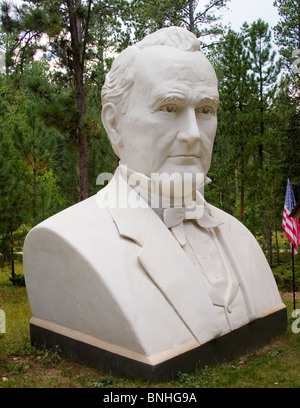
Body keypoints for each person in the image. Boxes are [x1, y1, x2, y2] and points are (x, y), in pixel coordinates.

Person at [23, 27, 286, 377]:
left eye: (206, 110)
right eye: (170, 107)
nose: (193, 133)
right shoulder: (63, 240)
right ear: (114, 124)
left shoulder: (240, 237)